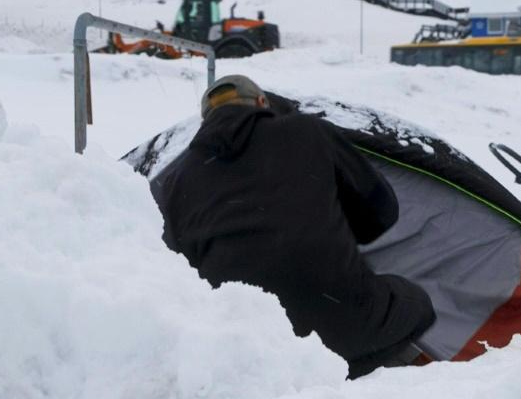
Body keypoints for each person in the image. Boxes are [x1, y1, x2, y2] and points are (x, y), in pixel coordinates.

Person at [151, 75, 436, 379]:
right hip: (340, 318)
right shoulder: (307, 130)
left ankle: (305, 376)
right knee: (417, 305)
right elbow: (381, 213)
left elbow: (178, 269)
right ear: (262, 103)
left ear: (205, 121)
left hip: (243, 345)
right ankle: (339, 377)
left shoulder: (177, 179)